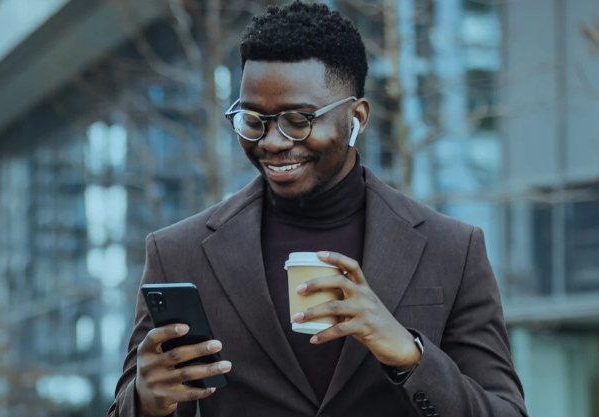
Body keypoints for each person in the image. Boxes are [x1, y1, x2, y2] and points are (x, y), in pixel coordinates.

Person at [108, 2, 527, 417]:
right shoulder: (179, 252)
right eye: (254, 119)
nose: (271, 142)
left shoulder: (451, 249)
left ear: (357, 117)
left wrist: (409, 355)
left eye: (298, 120)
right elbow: (128, 406)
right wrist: (146, 402)